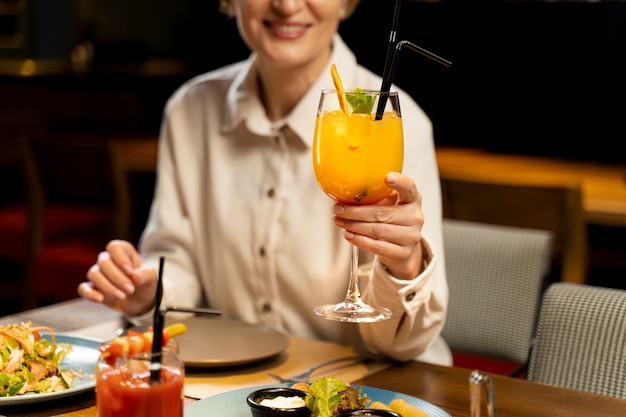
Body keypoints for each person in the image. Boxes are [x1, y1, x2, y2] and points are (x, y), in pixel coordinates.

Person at [78, 0, 451, 365]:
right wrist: (148, 291)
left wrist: (405, 266)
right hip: (245, 384)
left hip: (375, 387)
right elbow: (178, 263)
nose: (287, 5)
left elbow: (402, 347)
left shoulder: (396, 125)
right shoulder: (188, 110)